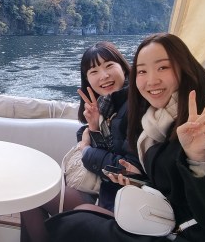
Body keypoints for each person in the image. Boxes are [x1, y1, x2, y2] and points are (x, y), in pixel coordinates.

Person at [46, 33, 205, 242]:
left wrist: (198, 158)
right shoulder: (153, 121)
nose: (151, 80)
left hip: (197, 233)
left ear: (184, 68)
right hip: (164, 220)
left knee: (71, 226)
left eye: (162, 68)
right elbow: (172, 185)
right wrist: (140, 179)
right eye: (143, 71)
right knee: (73, 224)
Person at [20, 41, 144, 242]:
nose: (103, 76)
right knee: (29, 193)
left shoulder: (134, 107)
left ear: (124, 67)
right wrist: (93, 127)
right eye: (94, 71)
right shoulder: (107, 106)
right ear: (87, 80)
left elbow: (121, 166)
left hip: (118, 202)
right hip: (103, 192)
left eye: (109, 66)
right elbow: (96, 141)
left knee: (29, 194)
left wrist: (86, 148)